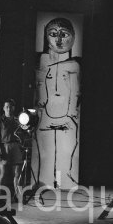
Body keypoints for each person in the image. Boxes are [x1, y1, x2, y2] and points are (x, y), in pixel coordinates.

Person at [35, 17, 80, 189]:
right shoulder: (43, 60)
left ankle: (64, 178)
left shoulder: (74, 64)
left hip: (65, 114)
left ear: (72, 37)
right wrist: (42, 103)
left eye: (64, 34)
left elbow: (75, 89)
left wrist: (71, 111)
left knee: (66, 149)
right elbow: (40, 83)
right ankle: (44, 179)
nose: (59, 40)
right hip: (47, 112)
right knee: (46, 151)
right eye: (53, 35)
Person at [0, 99, 23, 198]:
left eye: (11, 106)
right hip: (4, 146)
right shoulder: (0, 120)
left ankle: (17, 195)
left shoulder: (18, 120)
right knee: (3, 174)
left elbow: (23, 133)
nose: (9, 109)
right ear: (3, 108)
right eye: (7, 106)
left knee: (17, 174)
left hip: (15, 146)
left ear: (14, 108)